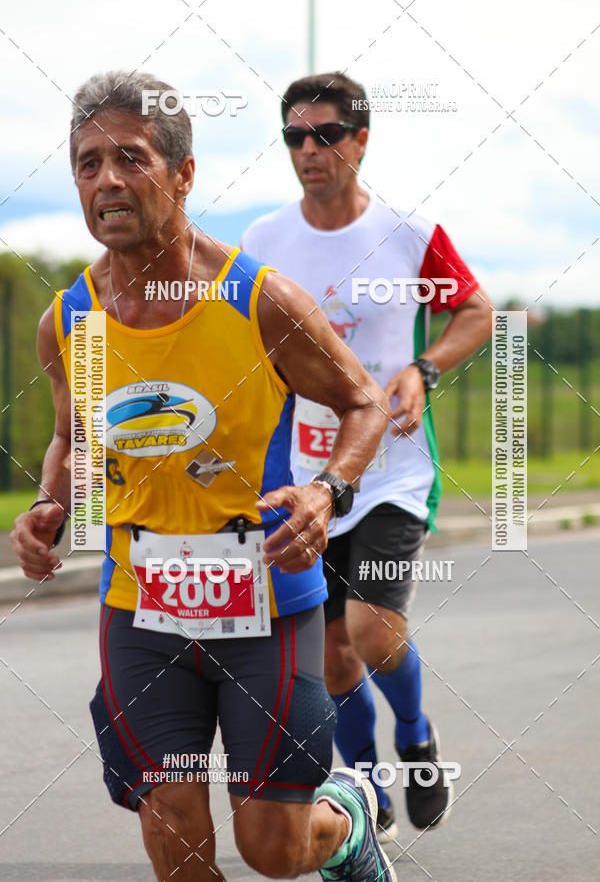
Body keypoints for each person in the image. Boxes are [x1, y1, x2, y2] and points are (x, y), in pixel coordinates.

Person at [10, 70, 397, 881]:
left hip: (267, 606)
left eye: (131, 158)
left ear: (183, 173)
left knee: (274, 851)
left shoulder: (260, 300)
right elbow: (72, 442)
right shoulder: (72, 321)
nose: (107, 180)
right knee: (177, 845)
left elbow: (364, 401)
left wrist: (327, 490)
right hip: (140, 609)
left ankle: (347, 818)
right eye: (87, 164)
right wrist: (50, 504)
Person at [241, 71, 494, 841]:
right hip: (305, 477)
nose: (308, 150)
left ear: (360, 140)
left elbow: (475, 310)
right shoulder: (261, 243)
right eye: (294, 136)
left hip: (393, 473)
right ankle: (367, 788)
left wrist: (424, 368)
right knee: (331, 656)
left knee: (373, 633)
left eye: (325, 135)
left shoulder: (410, 233)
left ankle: (415, 739)